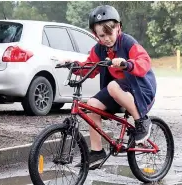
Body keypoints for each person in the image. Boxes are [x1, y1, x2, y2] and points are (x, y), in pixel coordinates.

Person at [63, 5, 157, 168]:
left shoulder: (127, 43)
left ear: (118, 27)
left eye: (109, 33)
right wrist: (73, 65)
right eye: (101, 35)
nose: (106, 38)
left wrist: (127, 64)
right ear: (95, 35)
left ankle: (141, 121)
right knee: (92, 104)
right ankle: (97, 152)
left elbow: (144, 61)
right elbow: (89, 66)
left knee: (113, 86)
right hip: (118, 91)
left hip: (141, 89)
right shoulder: (99, 49)